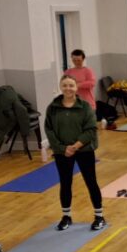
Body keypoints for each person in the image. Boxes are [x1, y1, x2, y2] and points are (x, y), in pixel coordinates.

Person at [44, 75, 105, 231]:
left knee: (91, 182)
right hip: (62, 152)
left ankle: (99, 216)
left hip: (84, 150)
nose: (68, 88)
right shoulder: (53, 107)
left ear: (76, 88)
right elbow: (49, 130)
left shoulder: (85, 107)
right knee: (65, 183)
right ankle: (66, 216)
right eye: (65, 85)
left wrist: (75, 146)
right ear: (61, 87)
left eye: (71, 85)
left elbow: (91, 129)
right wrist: (62, 148)